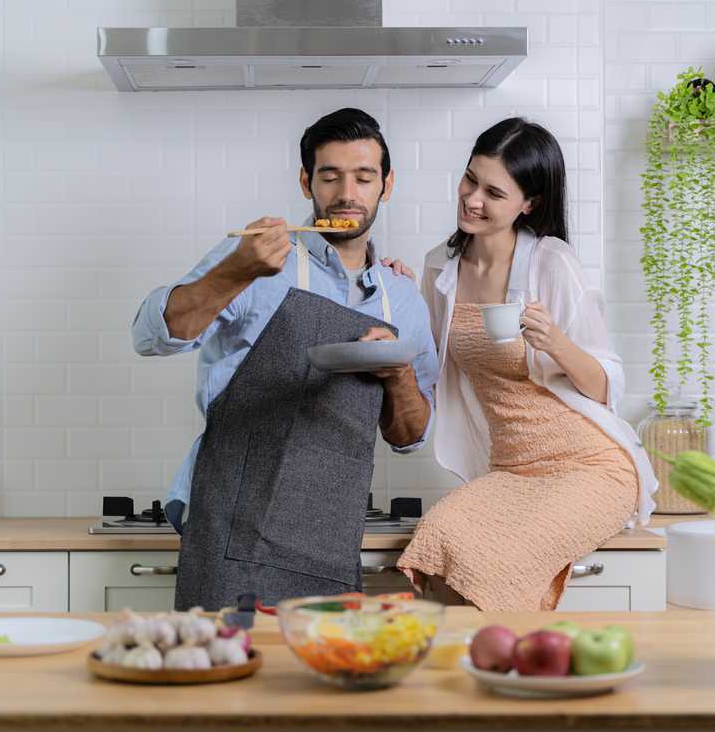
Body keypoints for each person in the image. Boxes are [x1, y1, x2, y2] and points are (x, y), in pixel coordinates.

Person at [131, 108, 438, 611]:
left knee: (318, 675)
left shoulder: (400, 296)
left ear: (386, 185)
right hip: (229, 512)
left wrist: (398, 372)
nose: (347, 193)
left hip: (328, 525)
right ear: (305, 182)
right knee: (227, 675)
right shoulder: (257, 260)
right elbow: (151, 336)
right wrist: (236, 272)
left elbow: (411, 436)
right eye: (330, 175)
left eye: (363, 177)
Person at [395, 118, 658, 610]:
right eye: (470, 179)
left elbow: (607, 385)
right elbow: (425, 363)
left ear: (528, 204)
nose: (473, 199)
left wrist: (555, 342)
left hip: (589, 467)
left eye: (494, 192)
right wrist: (399, 295)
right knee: (439, 536)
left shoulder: (549, 262)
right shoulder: (439, 267)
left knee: (492, 563)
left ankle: (508, 671)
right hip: (511, 470)